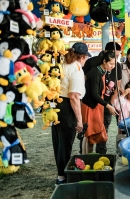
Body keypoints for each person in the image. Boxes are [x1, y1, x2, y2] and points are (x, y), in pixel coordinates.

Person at [51, 42, 88, 186]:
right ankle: (62, 178)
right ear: (82, 57)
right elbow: (73, 96)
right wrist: (79, 120)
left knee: (58, 142)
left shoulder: (63, 64)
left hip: (56, 106)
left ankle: (60, 175)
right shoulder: (76, 69)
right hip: (67, 107)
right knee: (65, 144)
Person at [82, 42, 122, 154]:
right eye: (111, 64)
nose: (113, 67)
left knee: (91, 135)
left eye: (114, 64)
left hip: (96, 105)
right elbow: (95, 94)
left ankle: (88, 159)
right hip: (90, 106)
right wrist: (107, 105)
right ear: (104, 61)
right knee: (89, 136)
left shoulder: (102, 72)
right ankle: (87, 160)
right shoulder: (96, 72)